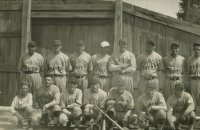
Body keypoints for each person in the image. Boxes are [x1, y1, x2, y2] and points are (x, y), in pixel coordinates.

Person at [187, 42, 200, 114]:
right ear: (193, 49)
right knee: (193, 97)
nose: (197, 51)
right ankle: (194, 115)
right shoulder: (189, 60)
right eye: (196, 49)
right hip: (192, 80)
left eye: (199, 49)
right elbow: (187, 72)